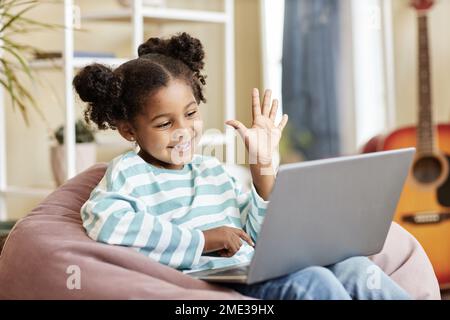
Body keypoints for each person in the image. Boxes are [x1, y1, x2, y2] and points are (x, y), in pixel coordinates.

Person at [73, 32, 410, 300]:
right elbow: (107, 223)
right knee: (313, 282)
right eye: (164, 124)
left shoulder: (213, 171)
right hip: (214, 284)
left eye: (190, 114)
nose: (183, 131)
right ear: (129, 130)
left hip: (253, 270)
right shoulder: (128, 173)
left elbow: (261, 238)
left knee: (352, 267)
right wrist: (202, 240)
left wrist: (262, 166)